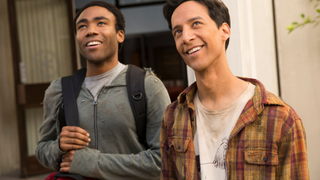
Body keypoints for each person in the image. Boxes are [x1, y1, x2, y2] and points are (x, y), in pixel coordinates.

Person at [160, 0, 310, 179]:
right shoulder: (172, 117)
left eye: (196, 24)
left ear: (224, 31)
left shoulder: (281, 119)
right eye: (178, 31)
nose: (186, 37)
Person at [35, 1, 171, 179]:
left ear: (120, 35)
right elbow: (42, 149)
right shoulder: (59, 90)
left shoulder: (147, 86)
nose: (90, 31)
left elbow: (163, 162)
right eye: (82, 26)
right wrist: (58, 146)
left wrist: (91, 163)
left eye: (101, 23)